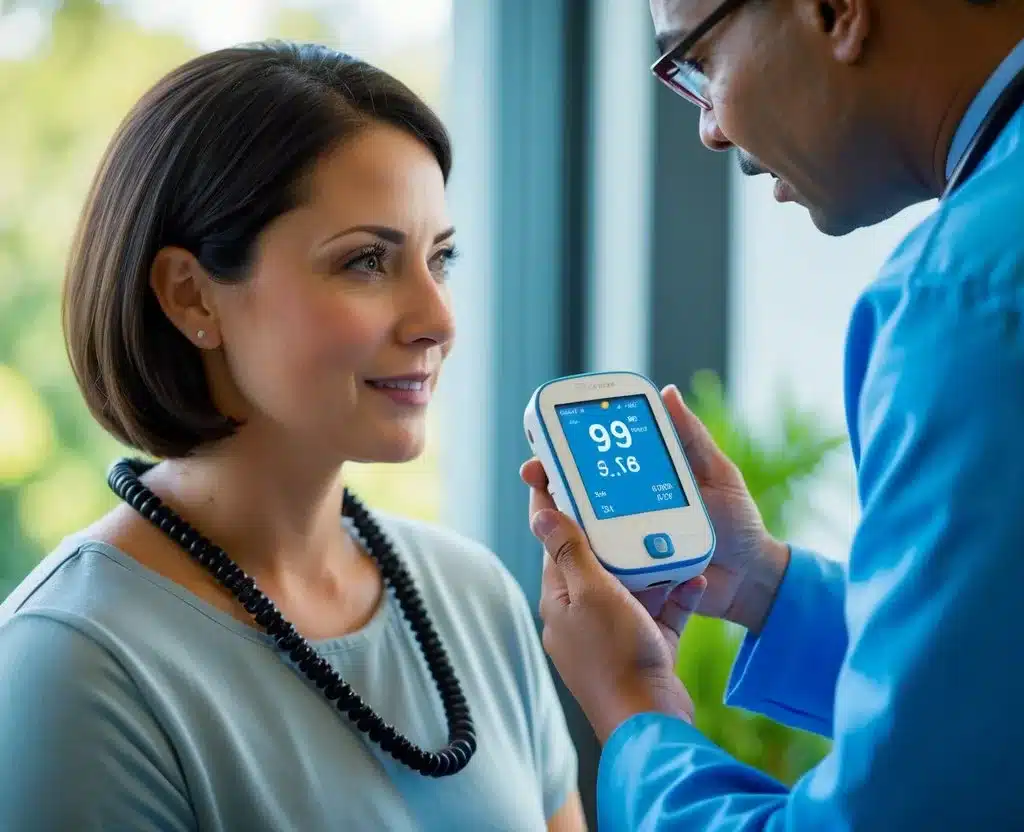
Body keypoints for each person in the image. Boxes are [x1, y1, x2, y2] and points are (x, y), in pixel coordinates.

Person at [521, 0, 1024, 829]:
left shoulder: (986, 299)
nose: (708, 128)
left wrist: (634, 711)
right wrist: (761, 585)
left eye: (698, 62)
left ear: (835, 10)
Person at [0, 41, 586, 831]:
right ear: (191, 296)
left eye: (440, 259)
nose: (438, 320)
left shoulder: (475, 597)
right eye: (366, 261)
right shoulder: (74, 663)